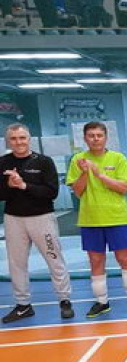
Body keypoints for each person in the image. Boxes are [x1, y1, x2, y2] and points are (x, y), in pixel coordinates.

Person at [66, 121, 127, 318]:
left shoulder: (118, 158)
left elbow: (123, 188)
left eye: (99, 135)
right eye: (91, 135)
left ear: (106, 138)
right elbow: (78, 192)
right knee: (95, 260)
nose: (95, 139)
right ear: (85, 138)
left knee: (124, 258)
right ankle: (102, 302)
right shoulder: (78, 159)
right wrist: (85, 172)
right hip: (90, 219)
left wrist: (99, 174)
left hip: (117, 217)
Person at [0, 124, 73, 322]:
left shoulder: (44, 162)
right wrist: (9, 185)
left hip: (42, 218)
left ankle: (64, 300)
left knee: (54, 258)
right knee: (16, 263)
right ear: (8, 141)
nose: (18, 142)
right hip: (14, 219)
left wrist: (24, 185)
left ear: (29, 139)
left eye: (22, 137)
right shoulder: (3, 162)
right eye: (14, 138)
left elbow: (52, 192)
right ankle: (23, 305)